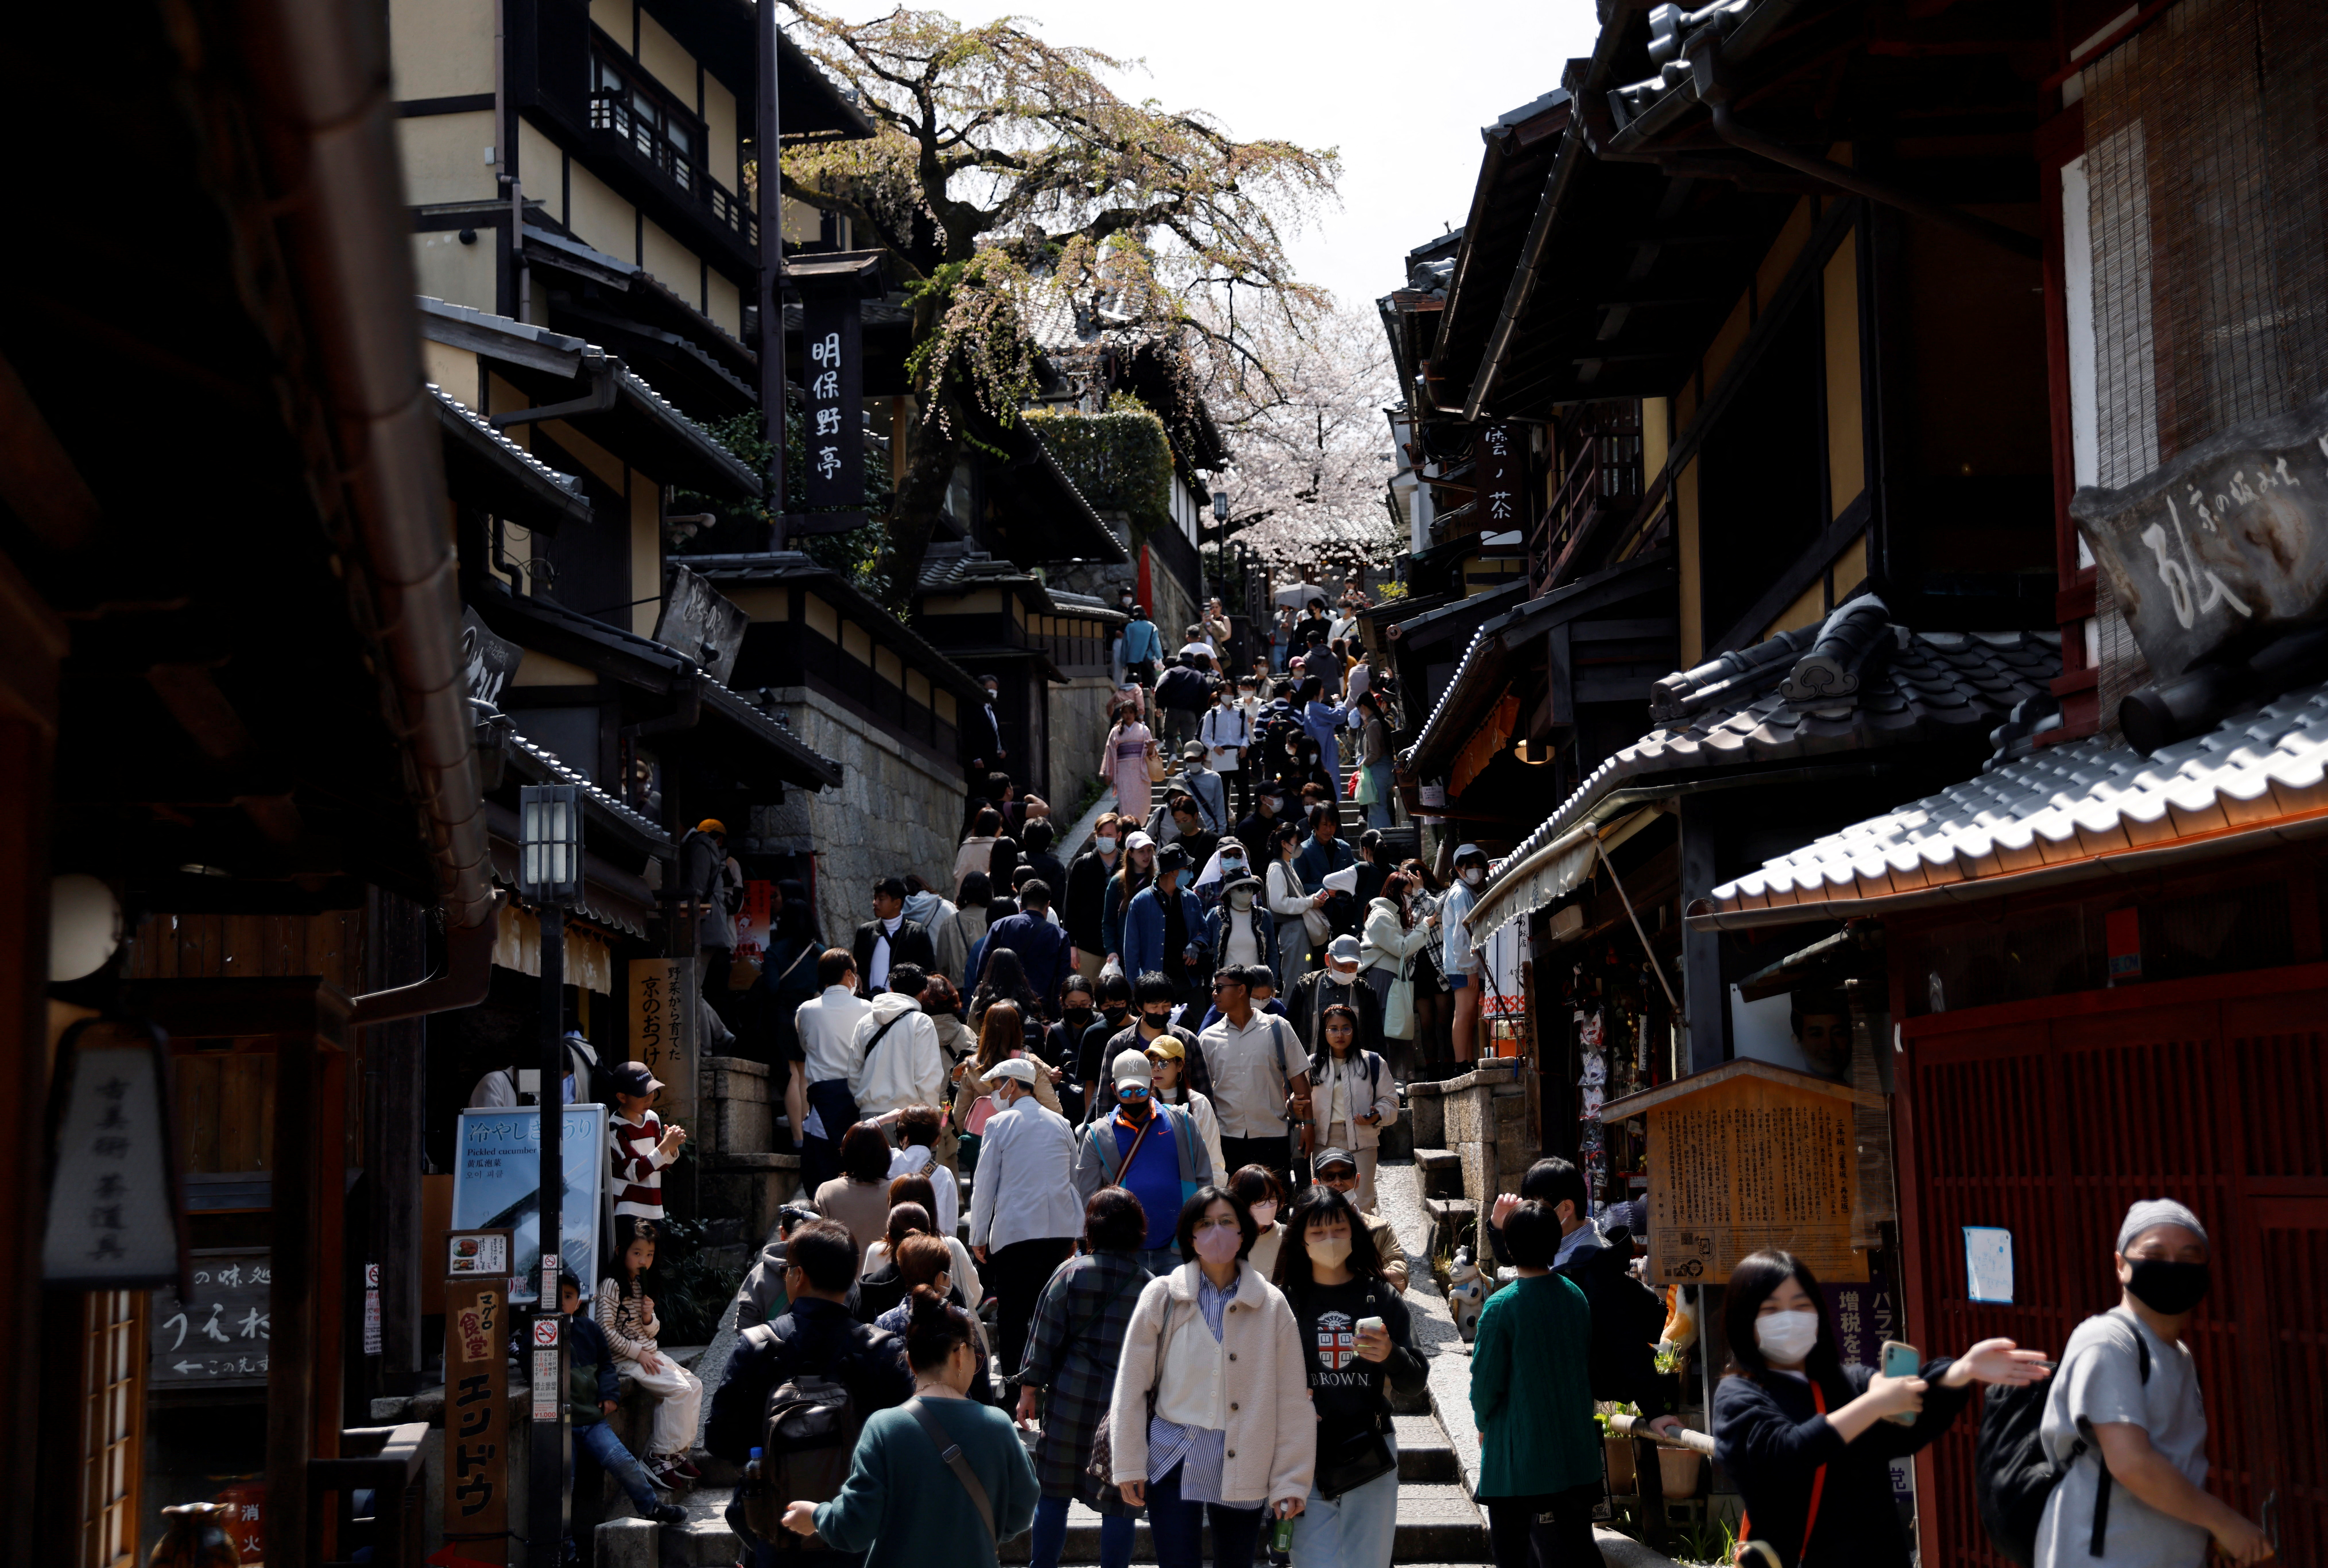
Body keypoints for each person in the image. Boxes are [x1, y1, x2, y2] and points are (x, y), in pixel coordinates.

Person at [1716, 1248, 2050, 1568]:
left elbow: (1910, 1422)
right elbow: (1786, 1454)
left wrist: (1961, 1371)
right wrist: (1873, 1404)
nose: (1790, 1318)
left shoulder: (1848, 1382)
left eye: (1802, 1306)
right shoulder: (1738, 1396)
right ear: (1745, 1319)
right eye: (1771, 1309)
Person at [2034, 1200, 2270, 1568]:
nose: (2172, 1266)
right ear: (2120, 1265)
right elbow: (2132, 1462)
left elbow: (2176, 1465)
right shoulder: (2108, 1340)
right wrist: (2224, 1522)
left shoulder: (2178, 1355)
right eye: (2154, 1253)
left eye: (2188, 1256)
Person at [1107, 1188, 1315, 1568]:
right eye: (1204, 1224)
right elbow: (1131, 1384)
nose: (1215, 1232)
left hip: (1245, 1461)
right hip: (1171, 1457)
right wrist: (1129, 1462)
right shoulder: (1163, 1295)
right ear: (1189, 1236)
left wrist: (1290, 1480)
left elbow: (1291, 1399)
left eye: (1226, 1222)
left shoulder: (1271, 1305)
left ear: (1244, 1232)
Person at [780, 1285, 1038, 1567]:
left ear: (911, 1361)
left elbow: (855, 1528)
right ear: (960, 1354)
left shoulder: (884, 1428)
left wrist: (817, 1516)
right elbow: (1023, 1509)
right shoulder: (998, 1425)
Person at [707, 1220, 912, 1568]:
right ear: (851, 1279)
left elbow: (719, 1441)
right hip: (858, 1533)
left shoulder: (758, 1347)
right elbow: (906, 1444)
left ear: (797, 1276)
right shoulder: (882, 1350)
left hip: (777, 1530)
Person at [1485, 1156, 1676, 1491]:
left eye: (1536, 1207)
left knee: (1562, 1517)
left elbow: (1625, 1341)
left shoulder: (1593, 1264)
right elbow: (1517, 1255)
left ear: (1564, 1210)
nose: (1528, 1216)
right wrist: (1500, 1228)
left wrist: (1654, 1409)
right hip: (1548, 1401)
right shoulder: (1560, 1248)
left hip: (1570, 1405)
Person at [1272, 1184, 1425, 1568]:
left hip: (1369, 1450)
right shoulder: (1284, 1301)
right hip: (1303, 1454)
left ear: (1354, 1233)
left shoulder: (1381, 1297)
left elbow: (1414, 1382)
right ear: (1300, 1240)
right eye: (1318, 1232)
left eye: (1339, 1229)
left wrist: (1391, 1355)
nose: (1330, 1240)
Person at [1017, 1188, 1154, 1568]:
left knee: (1053, 1496)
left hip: (1068, 1400)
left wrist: (1029, 1389)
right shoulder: (1147, 1285)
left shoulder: (1070, 1272)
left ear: (1091, 1227)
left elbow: (1043, 1334)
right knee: (1120, 1504)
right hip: (1122, 1410)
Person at [1467, 1202, 1601, 1568]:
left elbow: (1485, 1385)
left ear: (1509, 1246)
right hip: (1574, 1452)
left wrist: (1482, 1424)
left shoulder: (1500, 1307)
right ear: (1555, 1242)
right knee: (1577, 1550)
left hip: (1517, 1458)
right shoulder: (1575, 1297)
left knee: (1513, 1556)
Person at [965, 1057, 1084, 1386]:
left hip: (1015, 1232)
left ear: (1012, 1084)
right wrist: (1077, 1229)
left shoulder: (998, 1124)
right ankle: (1057, 1387)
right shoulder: (1061, 1122)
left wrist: (978, 1233)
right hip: (1059, 1231)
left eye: (996, 1085)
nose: (994, 1093)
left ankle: (1016, 1392)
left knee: (1014, 1317)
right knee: (1057, 1314)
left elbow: (985, 1182)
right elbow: (1074, 1180)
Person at [561, 1269, 687, 1529]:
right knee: (564, 1485)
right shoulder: (538, 1331)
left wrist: (610, 1396)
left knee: (625, 1462)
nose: (561, 1302)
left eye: (568, 1296)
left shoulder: (590, 1329)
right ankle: (564, 1547)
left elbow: (607, 1366)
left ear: (579, 1302)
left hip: (593, 1421)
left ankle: (651, 1507)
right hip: (559, 1424)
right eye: (554, 1295)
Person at [1073, 1047, 1214, 1274]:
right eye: (1126, 1093)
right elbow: (1089, 1199)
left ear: (1151, 1085)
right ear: (1114, 1091)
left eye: (1140, 1090)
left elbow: (1205, 1179)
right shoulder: (1097, 1134)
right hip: (1125, 1252)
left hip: (1180, 1248)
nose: (1135, 1098)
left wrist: (1203, 1230)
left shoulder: (1183, 1122)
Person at [597, 1217, 704, 1487]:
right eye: (637, 1254)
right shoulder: (613, 1284)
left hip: (649, 1352)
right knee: (678, 1390)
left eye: (650, 1255)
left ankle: (675, 1452)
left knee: (694, 1384)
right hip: (625, 1359)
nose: (644, 1260)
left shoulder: (641, 1284)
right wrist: (637, 1353)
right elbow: (604, 1330)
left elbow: (652, 1331)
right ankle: (658, 1455)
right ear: (621, 1252)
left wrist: (648, 1317)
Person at [1196, 964, 1313, 1190]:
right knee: (1235, 1212)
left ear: (1241, 991)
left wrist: (1309, 1124)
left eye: (1220, 988)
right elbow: (1201, 1092)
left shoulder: (1278, 1027)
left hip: (1273, 1135)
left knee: (1277, 1208)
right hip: (1227, 1140)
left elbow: (1299, 1078)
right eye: (1214, 988)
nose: (1214, 994)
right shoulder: (1208, 1039)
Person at [864, 1232, 1001, 1411]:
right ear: (940, 1278)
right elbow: (980, 1379)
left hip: (903, 1418)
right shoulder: (961, 1318)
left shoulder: (884, 1322)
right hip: (960, 1416)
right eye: (948, 1273)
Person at [1305, 1006, 1397, 1212]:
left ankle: (1364, 1244)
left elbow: (1391, 1102)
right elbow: (1301, 1101)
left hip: (1363, 1141)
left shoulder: (1373, 1062)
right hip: (1324, 1142)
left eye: (1346, 1028)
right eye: (1333, 1029)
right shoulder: (1312, 1064)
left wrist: (1376, 1116)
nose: (1340, 1035)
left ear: (1355, 1031)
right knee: (1326, 1202)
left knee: (1362, 1202)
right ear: (1324, 1032)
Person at [795, 950, 873, 1189]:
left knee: (821, 1169)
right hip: (858, 1094)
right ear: (849, 974)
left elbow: (805, 1045)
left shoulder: (806, 1010)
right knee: (859, 1162)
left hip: (822, 1095)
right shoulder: (868, 1008)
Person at [858, 1173, 981, 1313]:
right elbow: (974, 1296)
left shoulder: (877, 1251)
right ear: (932, 1208)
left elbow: (865, 1301)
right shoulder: (951, 1247)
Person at [849, 963, 946, 1122]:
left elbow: (854, 1073)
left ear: (892, 988)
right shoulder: (921, 1022)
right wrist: (931, 1115)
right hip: (910, 1117)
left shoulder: (865, 1022)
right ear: (923, 993)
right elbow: (929, 1076)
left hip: (870, 1116)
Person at [1287, 936, 1387, 1088]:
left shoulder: (1364, 991)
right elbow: (1291, 1030)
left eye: (1353, 967)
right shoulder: (1307, 987)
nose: (1347, 971)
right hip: (1313, 1068)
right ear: (1328, 960)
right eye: (1342, 965)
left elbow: (1376, 1035)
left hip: (1355, 1071)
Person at [1307, 1148, 1408, 1294]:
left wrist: (1349, 1278)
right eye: (1329, 1176)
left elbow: (1400, 1279)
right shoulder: (1304, 1230)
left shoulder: (1380, 1229)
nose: (1338, 1182)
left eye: (1345, 1174)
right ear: (1316, 1185)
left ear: (1357, 1180)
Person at [1124, 844, 1207, 1002]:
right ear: (1173, 871)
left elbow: (1204, 931)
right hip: (1155, 986)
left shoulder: (1192, 899)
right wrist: (1135, 988)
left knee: (1198, 1025)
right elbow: (1131, 949)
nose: (1190, 871)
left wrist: (1197, 944)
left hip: (1189, 982)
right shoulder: (1140, 902)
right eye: (1187, 867)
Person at [817, 1121, 903, 1271]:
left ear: (846, 1152)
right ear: (884, 1154)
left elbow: (817, 1243)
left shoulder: (827, 1191)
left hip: (839, 1285)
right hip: (886, 1285)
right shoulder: (896, 1192)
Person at [608, 1060, 686, 1224]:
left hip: (654, 1207)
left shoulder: (652, 1118)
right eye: (641, 1094)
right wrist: (666, 1145)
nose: (649, 1098)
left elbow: (659, 1165)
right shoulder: (614, 1128)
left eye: (651, 1091)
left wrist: (672, 1147)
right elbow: (636, 1172)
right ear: (622, 1097)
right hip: (627, 1208)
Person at [1146, 1036, 1225, 1185]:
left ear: (1180, 1066)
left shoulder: (1199, 1103)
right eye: (1152, 1062)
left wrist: (1209, 1199)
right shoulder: (1141, 1102)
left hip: (1193, 1193)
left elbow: (1214, 1160)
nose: (1156, 1068)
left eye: (1164, 1062)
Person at [983, 879, 1075, 1001]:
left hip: (1002, 1006)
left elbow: (984, 967)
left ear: (1020, 906)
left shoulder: (1000, 927)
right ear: (1048, 905)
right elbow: (1062, 980)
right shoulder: (1059, 936)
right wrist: (1055, 1015)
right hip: (1041, 1009)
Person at [1440, 844, 1490, 1067]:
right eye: (1471, 866)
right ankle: (1462, 1064)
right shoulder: (1461, 893)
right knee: (1464, 1015)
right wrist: (1470, 967)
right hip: (1464, 966)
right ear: (1459, 868)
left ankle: (1467, 1062)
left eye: (1480, 867)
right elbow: (1463, 933)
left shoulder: (1464, 892)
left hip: (1465, 965)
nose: (1476, 871)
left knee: (1468, 1017)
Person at [854, 877, 938, 999]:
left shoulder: (916, 932)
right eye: (875, 898)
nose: (875, 903)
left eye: (881, 899)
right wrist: (857, 975)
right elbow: (857, 966)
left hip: (905, 1003)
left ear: (897, 903)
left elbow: (929, 972)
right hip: (870, 1003)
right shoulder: (866, 932)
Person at [1268, 823, 1327, 993]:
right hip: (1292, 930)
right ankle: (1293, 1018)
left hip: (1299, 931)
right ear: (1285, 844)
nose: (1299, 846)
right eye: (1297, 842)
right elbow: (1278, 904)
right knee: (1296, 981)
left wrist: (1310, 900)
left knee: (1303, 980)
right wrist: (1310, 902)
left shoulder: (1287, 865)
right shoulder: (1277, 868)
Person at [1064, 814, 1122, 982]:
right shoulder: (1083, 865)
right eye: (1101, 835)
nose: (1105, 840)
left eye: (1109, 836)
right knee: (1086, 993)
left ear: (1119, 836)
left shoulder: (1127, 864)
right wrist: (1072, 945)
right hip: (1087, 946)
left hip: (1119, 947)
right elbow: (1071, 907)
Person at [884, 1105, 956, 1237]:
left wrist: (880, 1121)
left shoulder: (888, 1161)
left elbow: (858, 1139)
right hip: (930, 1251)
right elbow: (950, 1229)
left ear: (903, 1137)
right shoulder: (944, 1174)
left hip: (892, 1246)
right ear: (937, 1139)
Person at [1200, 873, 1279, 988]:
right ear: (1229, 892)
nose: (1247, 892)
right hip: (1225, 986)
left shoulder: (1264, 916)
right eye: (1242, 888)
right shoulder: (1216, 916)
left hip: (1256, 985)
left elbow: (1273, 953)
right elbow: (1205, 949)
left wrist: (1272, 984)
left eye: (1250, 887)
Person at [1044, 974, 1099, 1124]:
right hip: (1066, 1105)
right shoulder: (1056, 1032)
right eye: (1073, 1006)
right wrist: (1053, 1075)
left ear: (1092, 1002)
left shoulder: (1102, 1025)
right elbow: (1049, 1068)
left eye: (1084, 1004)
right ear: (1063, 1003)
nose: (1079, 1009)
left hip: (1097, 1100)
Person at [1103, 695, 1159, 826]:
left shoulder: (1144, 730)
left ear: (1135, 714)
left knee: (1142, 802)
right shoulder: (1116, 732)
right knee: (1126, 801)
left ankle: (1140, 826)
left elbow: (1152, 754)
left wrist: (1151, 749)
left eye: (1131, 712)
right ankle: (1128, 828)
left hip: (1141, 770)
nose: (1128, 715)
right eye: (1125, 713)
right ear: (1122, 714)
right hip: (1124, 771)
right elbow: (1110, 752)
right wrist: (1108, 772)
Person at [1202, 678, 1252, 820]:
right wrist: (1214, 747)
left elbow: (1246, 735)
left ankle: (1241, 824)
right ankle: (1224, 826)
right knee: (1222, 794)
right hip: (1222, 754)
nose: (1229, 695)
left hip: (1239, 754)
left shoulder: (1241, 712)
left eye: (1231, 692)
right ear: (1219, 694)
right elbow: (1205, 737)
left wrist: (1244, 746)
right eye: (1225, 692)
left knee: (1244, 792)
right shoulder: (1212, 714)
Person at [934, 872, 994, 987]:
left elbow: (943, 966)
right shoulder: (994, 920)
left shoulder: (949, 923)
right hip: (989, 987)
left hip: (960, 988)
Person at [1229, 1164, 1289, 1279]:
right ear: (1241, 1202)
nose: (1268, 1205)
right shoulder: (1228, 1239)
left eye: (1272, 1197)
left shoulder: (1287, 1236)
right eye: (1260, 1200)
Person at [967, 670, 1010, 784]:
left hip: (996, 758)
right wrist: (976, 757)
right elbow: (971, 734)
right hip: (983, 758)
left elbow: (998, 734)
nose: (993, 691)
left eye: (995, 689)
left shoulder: (992, 711)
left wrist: (1004, 749)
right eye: (990, 687)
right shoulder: (975, 709)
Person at [1020, 819, 1069, 898]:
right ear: (1049, 842)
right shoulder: (1056, 867)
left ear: (1025, 840)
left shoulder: (1014, 860)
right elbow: (1059, 898)